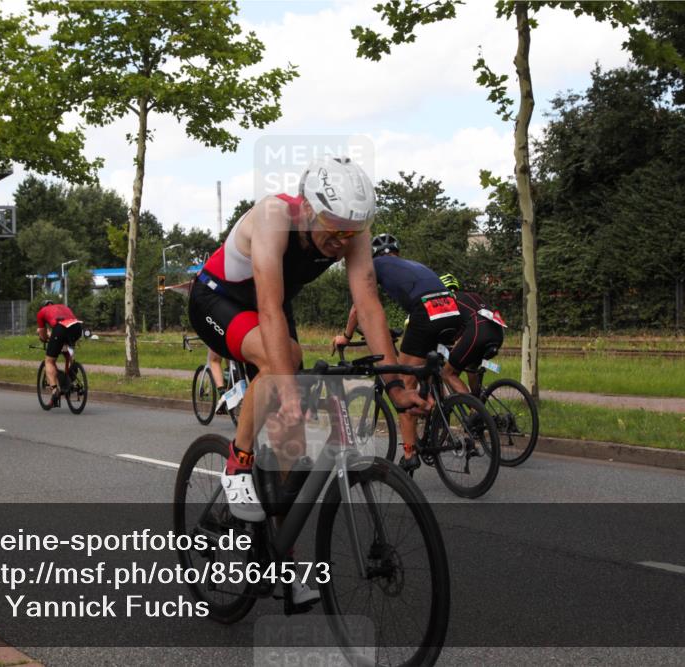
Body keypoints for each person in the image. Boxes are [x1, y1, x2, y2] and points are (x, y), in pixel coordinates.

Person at [188, 157, 428, 520]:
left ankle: (278, 557)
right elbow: (268, 308)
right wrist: (286, 389)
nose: (340, 240)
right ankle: (238, 465)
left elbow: (368, 307)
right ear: (308, 209)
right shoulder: (274, 217)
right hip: (218, 298)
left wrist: (394, 388)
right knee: (279, 364)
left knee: (290, 440)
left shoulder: (351, 232)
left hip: (273, 307)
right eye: (333, 228)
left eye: (350, 232)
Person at [332, 234, 459, 475]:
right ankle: (439, 414)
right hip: (451, 309)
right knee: (427, 371)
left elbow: (361, 306)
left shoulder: (375, 266)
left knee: (404, 383)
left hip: (425, 312)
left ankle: (410, 454)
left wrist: (346, 337)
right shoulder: (413, 265)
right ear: (397, 253)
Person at [433, 272, 507, 400]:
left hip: (478, 330)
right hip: (498, 331)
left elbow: (445, 327)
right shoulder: (473, 295)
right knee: (471, 366)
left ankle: (476, 410)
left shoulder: (448, 300)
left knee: (447, 373)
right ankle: (479, 409)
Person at [36, 300, 83, 407]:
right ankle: (72, 370)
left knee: (49, 361)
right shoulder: (63, 306)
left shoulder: (41, 312)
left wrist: (45, 338)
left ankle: (54, 390)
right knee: (67, 349)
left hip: (61, 329)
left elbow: (43, 335)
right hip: (77, 327)